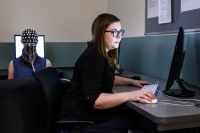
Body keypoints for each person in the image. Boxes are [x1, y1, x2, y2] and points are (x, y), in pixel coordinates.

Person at [58, 13, 156, 133]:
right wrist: (130, 95)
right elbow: (95, 100)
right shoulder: (92, 58)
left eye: (121, 32)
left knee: (135, 118)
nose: (119, 36)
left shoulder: (100, 54)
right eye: (114, 32)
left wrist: (133, 82)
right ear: (100, 33)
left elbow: (107, 77)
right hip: (80, 119)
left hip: (87, 114)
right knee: (137, 125)